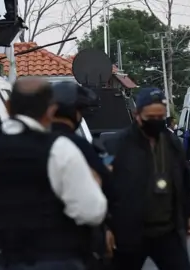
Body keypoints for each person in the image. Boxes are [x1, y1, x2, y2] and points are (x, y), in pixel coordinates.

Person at [0, 78, 107, 270]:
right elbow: (92, 212)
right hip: (55, 260)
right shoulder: (60, 150)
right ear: (51, 110)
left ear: (9, 107)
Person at [104, 87, 190, 270]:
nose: (155, 122)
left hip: (167, 232)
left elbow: (184, 180)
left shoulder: (172, 144)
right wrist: (105, 228)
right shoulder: (118, 145)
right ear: (137, 114)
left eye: (160, 117)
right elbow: (102, 188)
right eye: (150, 118)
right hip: (128, 234)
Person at [50, 81, 114, 268]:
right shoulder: (78, 146)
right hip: (76, 242)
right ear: (75, 112)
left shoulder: (31, 143)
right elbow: (107, 190)